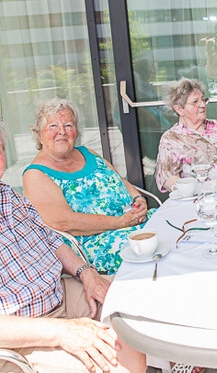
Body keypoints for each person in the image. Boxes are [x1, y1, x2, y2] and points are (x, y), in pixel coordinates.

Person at [0, 120, 147, 373]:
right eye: (53, 126)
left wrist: (87, 273)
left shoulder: (8, 197)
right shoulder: (36, 173)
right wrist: (61, 331)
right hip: (19, 337)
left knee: (138, 305)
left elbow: (51, 240)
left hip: (59, 294)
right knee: (122, 357)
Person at [22, 99, 152, 274]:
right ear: (39, 134)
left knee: (175, 225)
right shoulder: (36, 174)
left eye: (68, 125)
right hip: (96, 242)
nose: (62, 131)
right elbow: (65, 222)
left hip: (132, 221)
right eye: (53, 126)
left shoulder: (86, 152)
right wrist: (120, 222)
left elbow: (119, 180)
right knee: (151, 250)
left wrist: (138, 198)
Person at [155, 78, 217, 192]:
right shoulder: (172, 138)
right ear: (179, 109)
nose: (202, 105)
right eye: (195, 102)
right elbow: (166, 177)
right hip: (208, 197)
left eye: (204, 100)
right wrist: (190, 191)